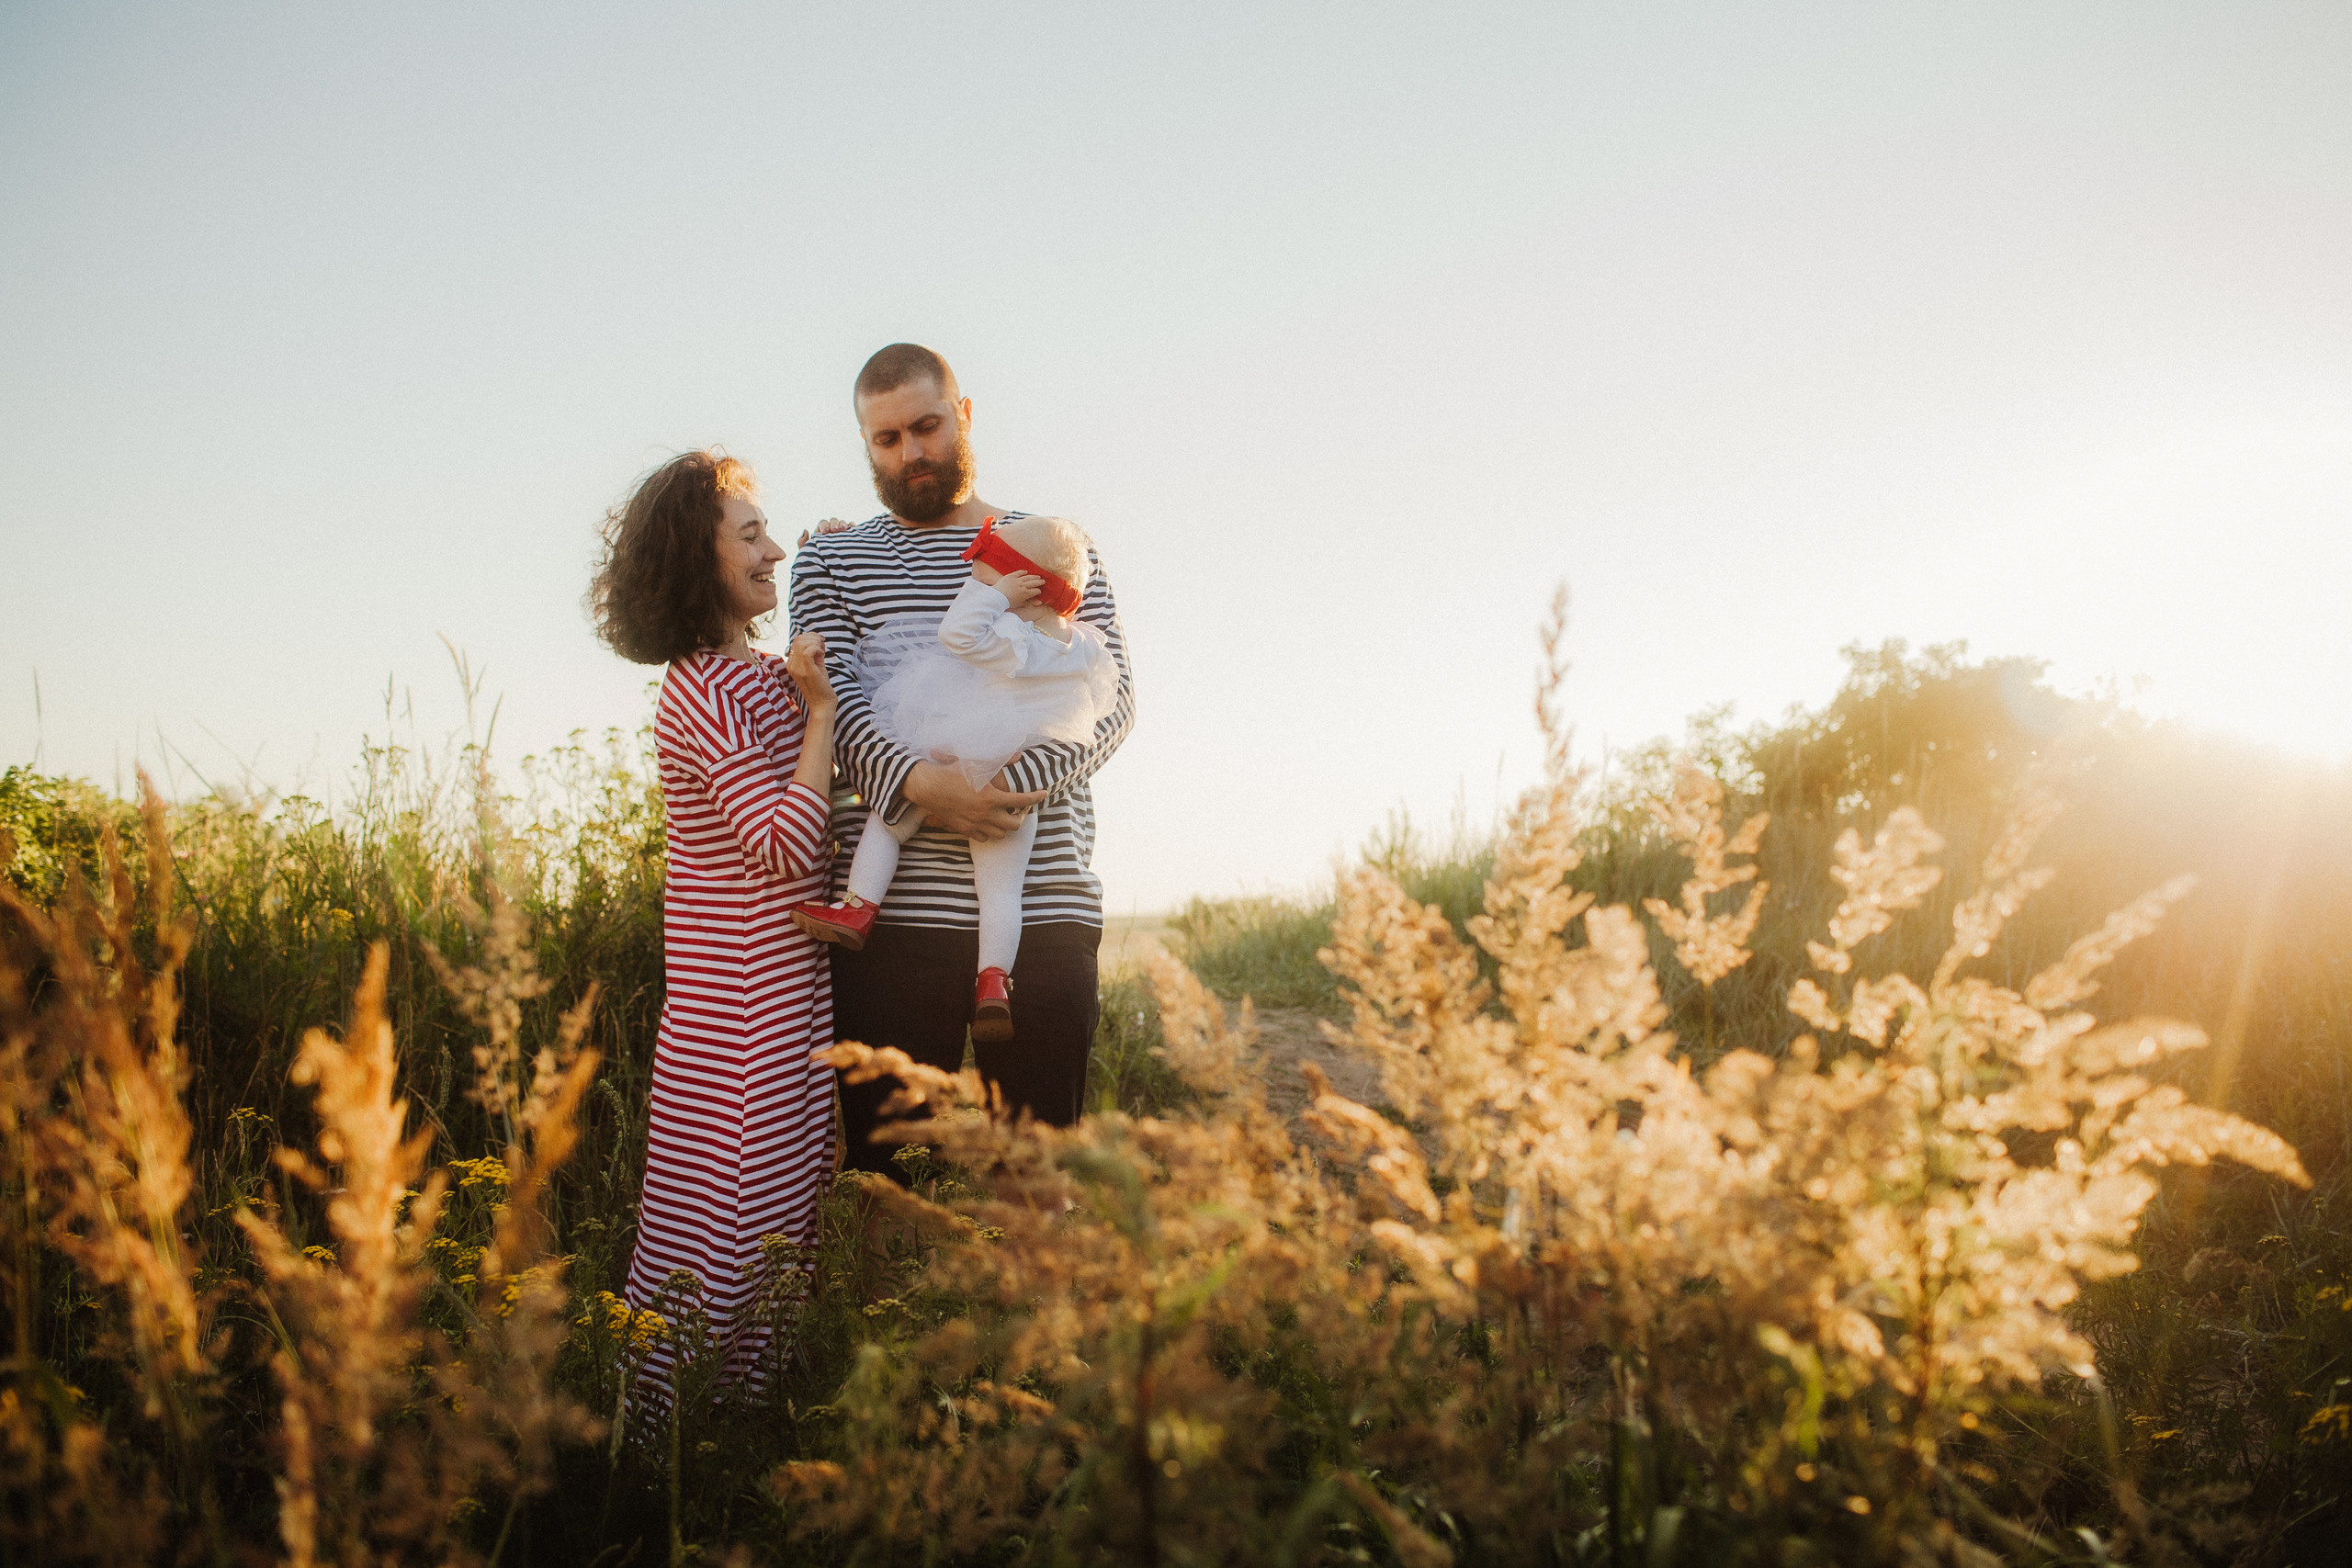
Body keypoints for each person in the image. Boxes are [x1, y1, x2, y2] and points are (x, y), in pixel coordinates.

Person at [789, 344, 1135, 1174]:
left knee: (1037, 1187)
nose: (910, 452)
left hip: (1045, 915)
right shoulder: (829, 560)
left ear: (964, 415)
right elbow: (835, 708)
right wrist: (921, 785)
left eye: (926, 426)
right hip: (895, 927)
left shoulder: (1059, 551)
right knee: (888, 1191)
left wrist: (997, 787)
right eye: (886, 439)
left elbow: (1111, 705)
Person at [586, 449, 838, 1394]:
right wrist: (818, 716)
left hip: (788, 1006)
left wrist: (827, 570)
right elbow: (785, 845)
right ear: (700, 561)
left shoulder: (763, 677)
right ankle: (660, 1454)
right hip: (734, 1021)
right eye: (751, 537)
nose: (771, 548)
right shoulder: (699, 690)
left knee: (782, 1235)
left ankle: (739, 1438)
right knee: (724, 1233)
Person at [787, 513, 1119, 1042]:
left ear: (1027, 591)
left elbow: (956, 632)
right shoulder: (1081, 646)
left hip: (957, 747)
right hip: (1017, 789)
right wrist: (1010, 787)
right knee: (1003, 889)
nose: (975, 588)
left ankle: (859, 908)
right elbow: (1106, 700)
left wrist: (992, 595)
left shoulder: (1011, 636)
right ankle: (993, 982)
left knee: (888, 822)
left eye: (986, 581)